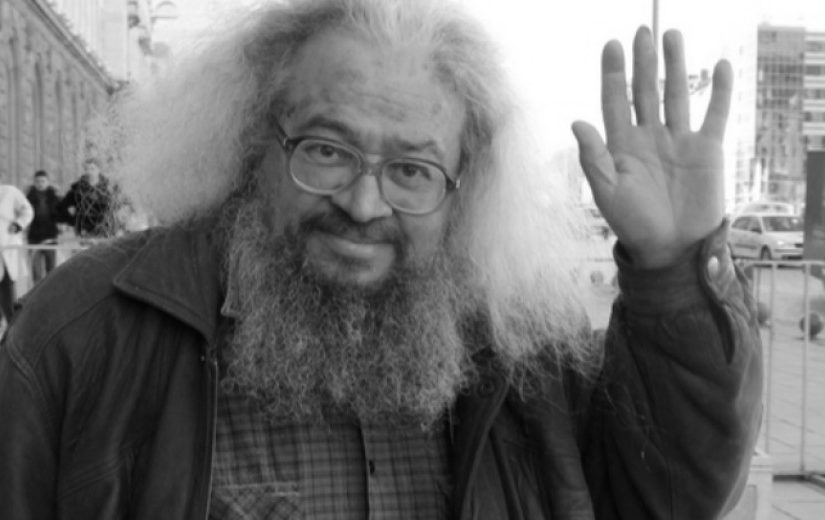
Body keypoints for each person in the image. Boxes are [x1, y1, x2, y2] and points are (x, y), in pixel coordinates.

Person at [0, 1, 763, 518]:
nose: (364, 204)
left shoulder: (524, 341)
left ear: (464, 187)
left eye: (411, 170)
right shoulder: (84, 331)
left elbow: (669, 495)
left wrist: (671, 269)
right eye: (326, 150)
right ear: (251, 141)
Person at [0, 180, 33, 326]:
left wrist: (18, 224)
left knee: (6, 287)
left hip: (7, 247)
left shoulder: (10, 191)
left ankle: (12, 326)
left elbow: (28, 211)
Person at [57, 158, 114, 238]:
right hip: (84, 231)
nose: (89, 172)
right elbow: (62, 206)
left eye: (92, 169)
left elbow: (113, 209)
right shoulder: (77, 189)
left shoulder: (107, 189)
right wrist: (72, 221)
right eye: (86, 169)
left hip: (104, 231)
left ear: (99, 170)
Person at [25, 170, 61, 283]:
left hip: (50, 236)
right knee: (36, 271)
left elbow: (60, 214)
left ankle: (50, 292)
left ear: (48, 182)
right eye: (38, 181)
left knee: (51, 270)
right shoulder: (28, 198)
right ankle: (37, 292)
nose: (40, 184)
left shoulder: (54, 197)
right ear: (34, 182)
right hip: (34, 237)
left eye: (43, 181)